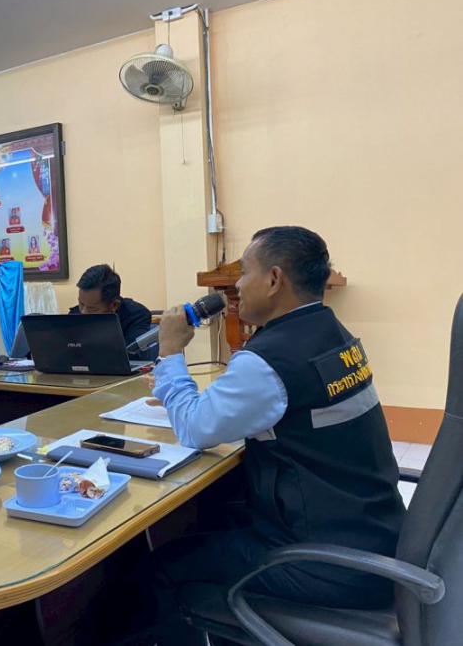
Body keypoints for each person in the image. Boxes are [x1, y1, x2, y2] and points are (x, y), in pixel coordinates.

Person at [143, 226, 404, 643]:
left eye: (244, 272)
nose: (236, 286)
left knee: (161, 564)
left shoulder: (271, 360)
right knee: (214, 515)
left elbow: (194, 429)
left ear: (274, 279)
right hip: (374, 533)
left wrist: (171, 351)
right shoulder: (331, 333)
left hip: (328, 561)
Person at [68, 264, 155, 359]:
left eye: (92, 309)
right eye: (81, 304)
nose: (83, 312)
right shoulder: (74, 315)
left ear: (114, 305)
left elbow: (133, 354)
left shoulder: (137, 316)